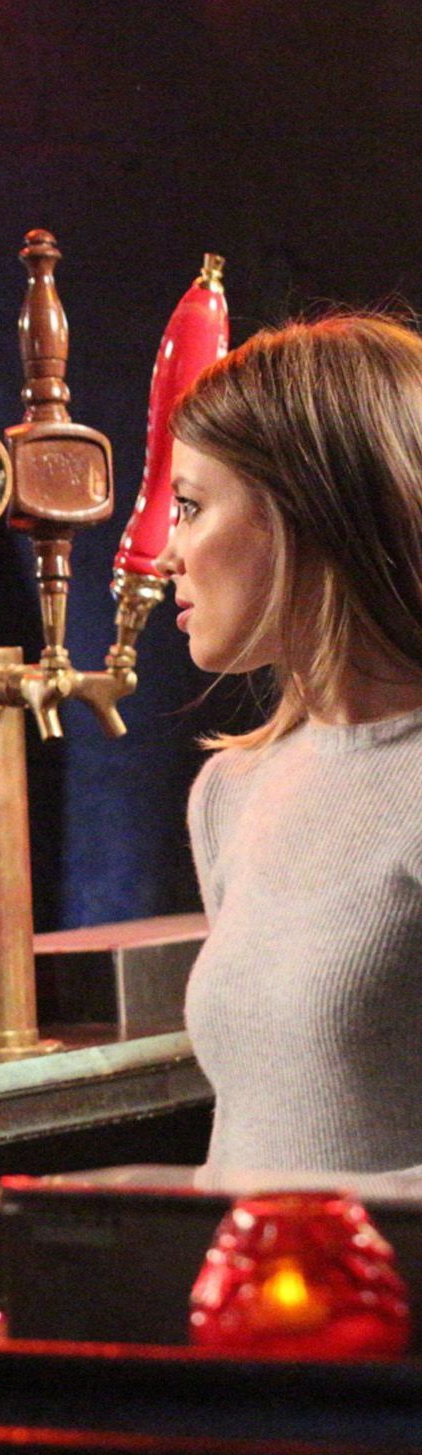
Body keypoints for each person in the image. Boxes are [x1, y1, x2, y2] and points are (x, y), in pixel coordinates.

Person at [165, 313, 422, 1174]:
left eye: (191, 507)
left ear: (303, 513)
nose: (168, 552)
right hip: (248, 1265)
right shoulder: (230, 792)